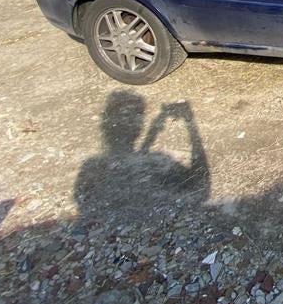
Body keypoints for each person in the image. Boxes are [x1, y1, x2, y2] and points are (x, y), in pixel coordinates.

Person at [74, 91, 209, 224]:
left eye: (137, 116)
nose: (133, 122)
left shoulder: (91, 168)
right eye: (126, 116)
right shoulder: (157, 163)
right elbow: (201, 186)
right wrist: (190, 124)